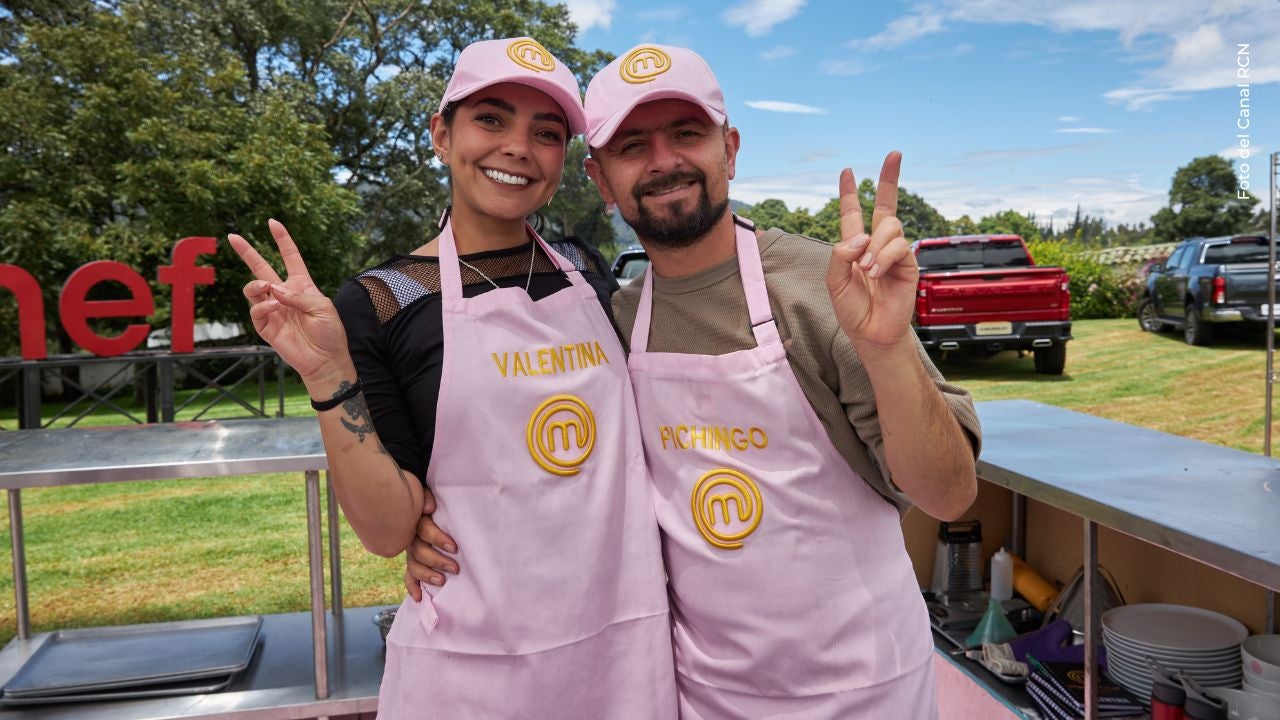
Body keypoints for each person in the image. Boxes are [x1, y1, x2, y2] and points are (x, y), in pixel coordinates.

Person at [229, 37, 676, 719]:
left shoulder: (589, 276)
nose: (518, 147)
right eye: (491, 120)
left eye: (546, 132)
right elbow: (386, 530)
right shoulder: (380, 301)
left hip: (621, 657)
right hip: (473, 669)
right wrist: (326, 371)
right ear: (442, 134)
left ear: (563, 161)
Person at [580, 44, 981, 717]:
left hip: (866, 689)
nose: (663, 161)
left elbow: (949, 494)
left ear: (729, 150)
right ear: (601, 179)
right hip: (706, 697)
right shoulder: (618, 319)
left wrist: (885, 351)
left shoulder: (820, 288)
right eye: (632, 145)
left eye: (687, 133)